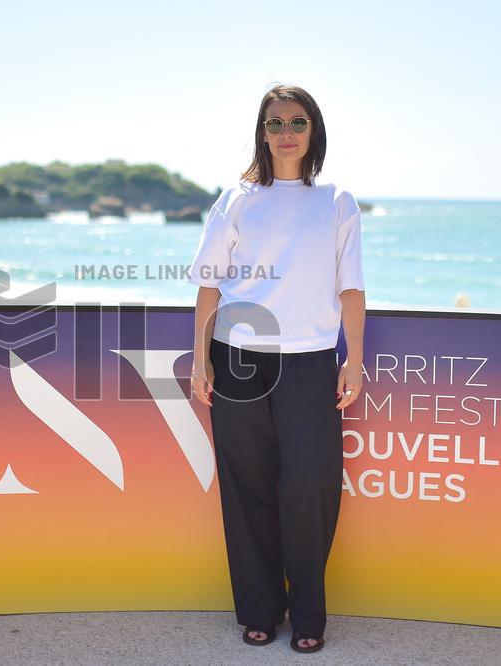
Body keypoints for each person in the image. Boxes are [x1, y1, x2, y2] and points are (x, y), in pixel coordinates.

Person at [187, 83, 366, 654]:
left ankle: (308, 614)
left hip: (312, 358)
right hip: (236, 357)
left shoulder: (336, 200)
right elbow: (210, 282)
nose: (285, 132)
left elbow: (352, 287)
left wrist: (352, 359)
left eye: (296, 122)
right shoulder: (235, 199)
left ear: (313, 131)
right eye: (274, 123)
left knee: (310, 483)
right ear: (261, 133)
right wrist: (199, 358)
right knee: (248, 487)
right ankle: (260, 609)